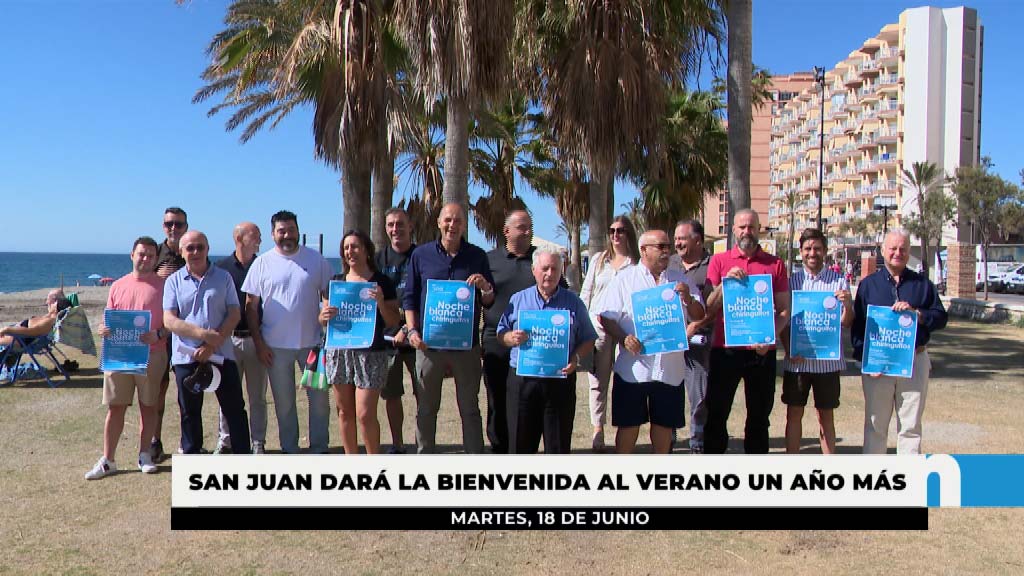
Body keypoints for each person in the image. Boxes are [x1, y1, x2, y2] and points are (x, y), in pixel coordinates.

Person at [595, 230, 706, 454]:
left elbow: (699, 314)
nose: (667, 251)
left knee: (664, 427)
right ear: (644, 250)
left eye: (668, 247)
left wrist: (687, 298)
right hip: (633, 369)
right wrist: (624, 338)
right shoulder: (625, 280)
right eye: (661, 247)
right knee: (628, 427)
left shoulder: (680, 279)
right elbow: (605, 317)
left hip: (670, 369)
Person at [402, 203, 496, 454]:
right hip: (428, 346)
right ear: (439, 222)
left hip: (466, 348)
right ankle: (425, 458)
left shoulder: (478, 256)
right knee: (426, 408)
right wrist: (412, 332)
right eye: (448, 220)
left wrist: (484, 286)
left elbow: (489, 300)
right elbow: (410, 298)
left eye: (458, 221)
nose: (452, 225)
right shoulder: (421, 255)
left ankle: (474, 460)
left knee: (469, 408)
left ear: (464, 225)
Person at [242, 211, 334, 454]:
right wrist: (259, 344)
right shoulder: (262, 263)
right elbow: (251, 307)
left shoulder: (316, 260)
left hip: (313, 345)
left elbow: (328, 293)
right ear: (273, 234)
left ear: (297, 231)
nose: (287, 235)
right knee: (284, 404)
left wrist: (326, 308)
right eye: (281, 231)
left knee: (320, 402)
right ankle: (290, 448)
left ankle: (319, 447)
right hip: (274, 348)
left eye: (291, 229)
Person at [852, 229, 947, 454]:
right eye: (893, 248)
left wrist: (919, 315)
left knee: (910, 427)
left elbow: (941, 317)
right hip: (879, 367)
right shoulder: (868, 285)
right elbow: (858, 328)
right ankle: (873, 480)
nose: (898, 253)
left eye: (903, 249)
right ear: (883, 250)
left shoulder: (923, 284)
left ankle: (909, 481)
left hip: (914, 360)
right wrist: (867, 362)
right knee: (875, 426)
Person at [704, 209, 791, 454]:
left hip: (761, 352)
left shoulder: (775, 264)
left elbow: (785, 311)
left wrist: (770, 337)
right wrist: (725, 284)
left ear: (759, 228)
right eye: (741, 227)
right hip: (725, 350)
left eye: (751, 227)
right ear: (733, 230)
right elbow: (709, 307)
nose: (746, 232)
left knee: (759, 418)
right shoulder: (719, 261)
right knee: (717, 413)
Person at [498, 247, 597, 454]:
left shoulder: (574, 302)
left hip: (559, 381)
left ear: (561, 271)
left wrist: (576, 358)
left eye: (554, 269)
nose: (549, 274)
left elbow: (588, 338)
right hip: (523, 381)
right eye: (544, 268)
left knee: (558, 447)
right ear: (534, 270)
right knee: (520, 446)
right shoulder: (518, 300)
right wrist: (510, 338)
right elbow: (501, 333)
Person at [85, 237, 168, 479]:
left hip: (153, 354)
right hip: (120, 356)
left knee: (149, 406)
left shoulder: (164, 286)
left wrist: (159, 333)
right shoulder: (118, 285)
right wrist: (103, 328)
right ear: (132, 255)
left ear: (156, 258)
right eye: (142, 254)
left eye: (151, 255)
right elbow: (109, 319)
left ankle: (145, 454)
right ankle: (108, 459)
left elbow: (174, 321)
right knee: (115, 407)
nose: (146, 258)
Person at [163, 231, 251, 455]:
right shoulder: (173, 282)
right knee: (189, 413)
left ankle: (243, 458)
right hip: (186, 357)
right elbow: (169, 320)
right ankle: (192, 460)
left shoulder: (223, 278)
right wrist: (203, 334)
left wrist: (212, 344)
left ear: (208, 249)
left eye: (200, 247)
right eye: (190, 248)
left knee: (234, 411)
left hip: (222, 354)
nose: (195, 252)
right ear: (181, 252)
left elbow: (234, 313)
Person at [320, 230, 401, 454]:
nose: (350, 252)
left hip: (371, 353)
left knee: (365, 414)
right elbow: (322, 320)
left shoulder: (381, 282)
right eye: (346, 248)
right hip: (340, 352)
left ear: (366, 250)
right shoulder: (336, 282)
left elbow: (394, 320)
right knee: (344, 412)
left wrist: (381, 303)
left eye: (355, 246)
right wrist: (323, 316)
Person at [779, 228, 853, 454]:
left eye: (817, 248)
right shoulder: (792, 282)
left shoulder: (839, 281)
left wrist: (848, 305)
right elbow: (783, 318)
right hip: (797, 360)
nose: (813, 253)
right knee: (794, 414)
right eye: (808, 249)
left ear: (825, 251)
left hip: (827, 362)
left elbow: (847, 322)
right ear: (801, 251)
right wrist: (788, 348)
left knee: (826, 416)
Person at [579, 214, 639, 452]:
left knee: (627, 378)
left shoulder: (636, 262)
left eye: (621, 230)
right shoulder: (599, 260)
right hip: (598, 326)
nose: (616, 235)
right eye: (612, 230)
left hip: (626, 327)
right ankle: (598, 429)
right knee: (598, 380)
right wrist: (583, 323)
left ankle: (626, 426)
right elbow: (587, 292)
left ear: (629, 234)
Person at [482, 210, 539, 454]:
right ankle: (498, 449)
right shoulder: (488, 260)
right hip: (496, 338)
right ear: (507, 231)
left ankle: (523, 450)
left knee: (527, 398)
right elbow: (482, 299)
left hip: (532, 341)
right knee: (496, 397)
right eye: (522, 227)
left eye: (529, 227)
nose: (527, 231)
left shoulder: (541, 259)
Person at [213, 222, 268, 454]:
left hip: (257, 340)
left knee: (257, 397)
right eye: (255, 236)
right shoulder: (221, 268)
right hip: (229, 341)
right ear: (239, 238)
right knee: (228, 395)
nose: (259, 241)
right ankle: (225, 440)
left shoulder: (264, 265)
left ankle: (258, 443)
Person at [668, 219, 714, 453]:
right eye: (675, 238)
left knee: (698, 397)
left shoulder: (712, 265)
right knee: (669, 392)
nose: (677, 243)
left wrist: (693, 327)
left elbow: (713, 306)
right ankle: (669, 438)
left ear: (697, 240)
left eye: (682, 238)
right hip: (670, 340)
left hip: (698, 341)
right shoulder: (670, 263)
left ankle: (697, 443)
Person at [375, 208, 417, 454]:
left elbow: (426, 298)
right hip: (387, 339)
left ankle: (424, 442)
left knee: (423, 393)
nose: (395, 229)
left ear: (410, 226)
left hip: (416, 336)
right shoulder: (378, 260)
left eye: (400, 224)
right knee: (391, 395)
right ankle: (398, 444)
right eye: (390, 225)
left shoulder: (421, 256)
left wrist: (407, 327)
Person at [150, 206, 188, 462]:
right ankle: (154, 441)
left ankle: (188, 444)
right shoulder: (155, 254)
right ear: (163, 226)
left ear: (186, 226)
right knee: (158, 390)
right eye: (169, 224)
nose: (173, 228)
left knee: (187, 391)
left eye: (178, 224)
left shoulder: (193, 250)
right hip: (161, 334)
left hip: (187, 334)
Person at [0, 290, 71, 350]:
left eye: (52, 301)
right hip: (19, 336)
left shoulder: (50, 322)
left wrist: (7, 329)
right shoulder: (50, 318)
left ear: (56, 307)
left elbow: (31, 331)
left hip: (19, 339)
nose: (47, 303)